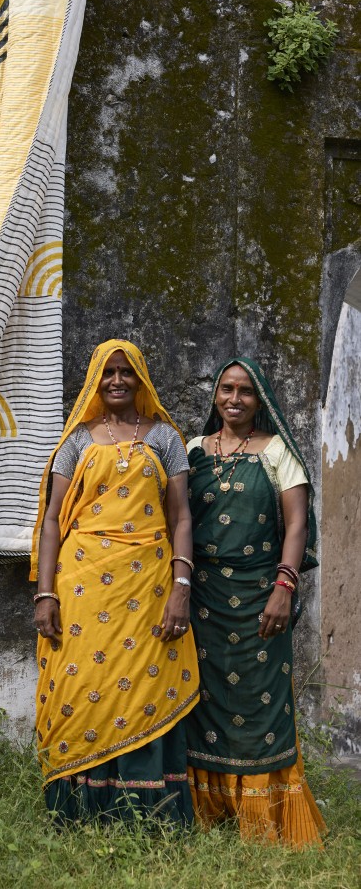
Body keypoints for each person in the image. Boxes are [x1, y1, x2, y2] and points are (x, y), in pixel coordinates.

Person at [30, 339, 199, 825]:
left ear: (140, 379)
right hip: (83, 586)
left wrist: (181, 587)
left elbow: (181, 518)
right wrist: (45, 593)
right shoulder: (77, 441)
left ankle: (148, 810)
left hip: (148, 587)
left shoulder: (165, 438)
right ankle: (80, 810)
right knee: (82, 685)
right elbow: (52, 521)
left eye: (127, 372)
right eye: (109, 372)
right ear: (95, 381)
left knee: (143, 687)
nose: (118, 380)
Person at [185, 357, 326, 847]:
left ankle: (265, 819)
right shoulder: (194, 450)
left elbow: (297, 524)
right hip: (202, 601)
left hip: (260, 599)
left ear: (259, 398)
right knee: (203, 705)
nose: (234, 399)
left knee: (261, 704)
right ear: (215, 394)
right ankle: (210, 812)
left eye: (245, 390)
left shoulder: (278, 451)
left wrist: (284, 587)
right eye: (226, 388)